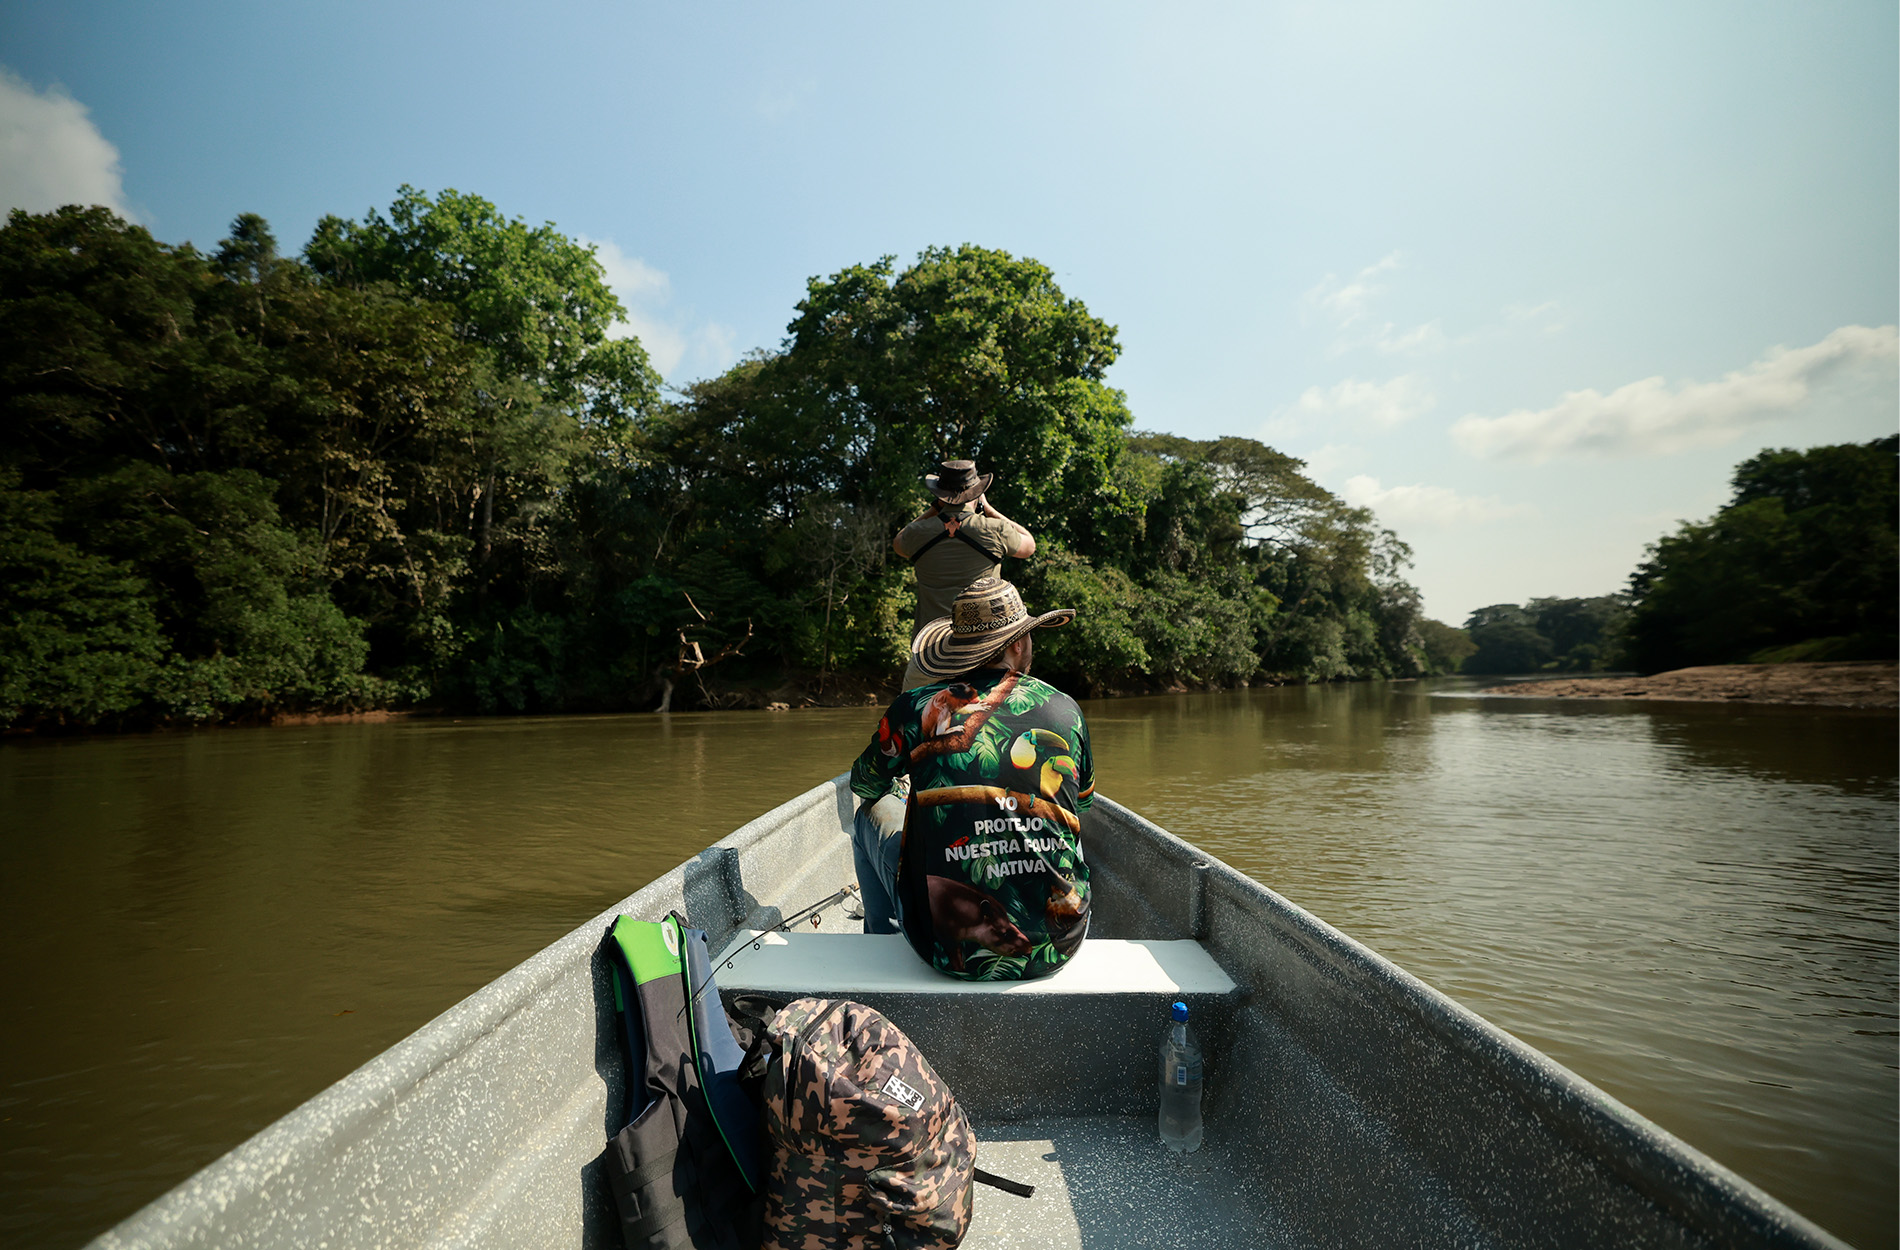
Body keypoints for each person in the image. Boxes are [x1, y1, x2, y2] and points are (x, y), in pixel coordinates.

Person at [848, 576, 1093, 981]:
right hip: (1058, 945)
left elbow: (864, 784)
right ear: (1018, 644)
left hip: (938, 949)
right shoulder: (1065, 708)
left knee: (865, 814)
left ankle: (880, 942)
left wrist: (906, 783)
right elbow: (1080, 803)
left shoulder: (914, 707)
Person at [893, 459, 1036, 690]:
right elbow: (1029, 545)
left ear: (940, 495)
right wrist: (989, 509)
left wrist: (934, 510)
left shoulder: (917, 533)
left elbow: (898, 542)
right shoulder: (994, 529)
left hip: (929, 657)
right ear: (977, 493)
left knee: (910, 722)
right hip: (984, 655)